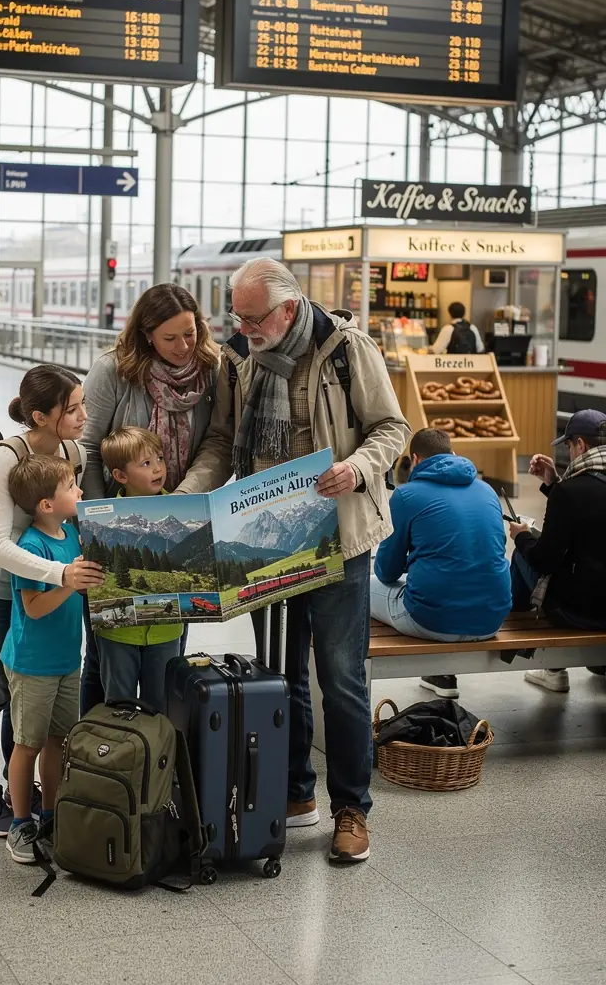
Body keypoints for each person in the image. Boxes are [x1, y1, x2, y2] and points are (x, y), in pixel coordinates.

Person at [177, 257, 409, 863]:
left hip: (338, 538)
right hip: (267, 538)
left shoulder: (344, 349)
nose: (242, 327)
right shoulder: (242, 360)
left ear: (287, 309)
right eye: (237, 315)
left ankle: (351, 808)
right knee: (281, 669)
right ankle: (295, 789)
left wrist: (355, 468)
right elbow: (224, 443)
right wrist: (186, 497)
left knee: (341, 677)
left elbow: (392, 428)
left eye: (252, 317)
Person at [0, 364, 99, 838]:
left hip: (44, 585)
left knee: (25, 703)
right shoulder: (7, 456)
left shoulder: (72, 453)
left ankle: (18, 786)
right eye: (72, 408)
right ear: (40, 416)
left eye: (82, 404)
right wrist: (61, 573)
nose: (83, 415)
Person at [80, 283, 219, 713]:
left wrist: (179, 499)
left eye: (190, 333)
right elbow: (87, 447)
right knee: (104, 656)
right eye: (170, 338)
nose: (184, 346)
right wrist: (102, 523)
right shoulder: (113, 371)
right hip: (114, 526)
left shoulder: (212, 371)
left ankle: (156, 761)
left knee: (169, 645)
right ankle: (99, 758)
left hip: (182, 522)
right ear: (146, 335)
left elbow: (217, 442)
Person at [1, 454, 102, 863]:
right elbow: (35, 608)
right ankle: (20, 822)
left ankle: (51, 814)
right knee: (27, 743)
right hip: (31, 665)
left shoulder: (72, 535)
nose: (80, 491)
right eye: (71, 487)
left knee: (59, 741)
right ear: (47, 504)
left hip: (66, 660)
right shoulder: (31, 546)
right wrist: (69, 581)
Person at [372, 427, 511, 700]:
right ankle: (441, 675)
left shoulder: (406, 495)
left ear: (416, 459)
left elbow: (387, 571)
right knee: (446, 579)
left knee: (362, 587)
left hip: (431, 620)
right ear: (453, 453)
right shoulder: (487, 491)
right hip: (491, 619)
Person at [508, 409, 606, 693]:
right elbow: (592, 518)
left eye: (568, 445)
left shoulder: (571, 492)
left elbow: (544, 560)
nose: (569, 451)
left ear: (581, 445)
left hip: (577, 612)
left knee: (522, 553)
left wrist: (522, 536)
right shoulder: (569, 490)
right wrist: (554, 483)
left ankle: (544, 660)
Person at [95, 427, 183, 713]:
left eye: (159, 458)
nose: (158, 468)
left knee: (160, 709)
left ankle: (157, 757)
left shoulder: (179, 510)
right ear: (120, 476)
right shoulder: (104, 519)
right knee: (117, 706)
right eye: (146, 464)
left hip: (167, 633)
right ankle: (119, 757)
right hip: (116, 634)